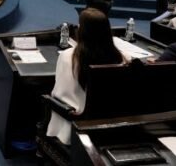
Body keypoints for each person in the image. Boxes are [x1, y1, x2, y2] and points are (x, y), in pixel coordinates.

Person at [46, 8, 125, 145]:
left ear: (82, 31)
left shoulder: (68, 57)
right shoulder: (122, 58)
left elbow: (59, 92)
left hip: (75, 128)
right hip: (111, 126)